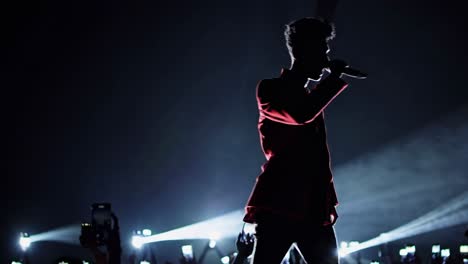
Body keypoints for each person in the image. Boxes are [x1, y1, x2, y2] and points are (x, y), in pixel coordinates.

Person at [242, 17, 366, 264]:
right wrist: (334, 78)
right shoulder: (269, 89)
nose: (326, 57)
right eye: (321, 50)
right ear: (301, 51)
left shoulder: (309, 96)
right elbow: (300, 114)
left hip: (313, 204)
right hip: (280, 202)